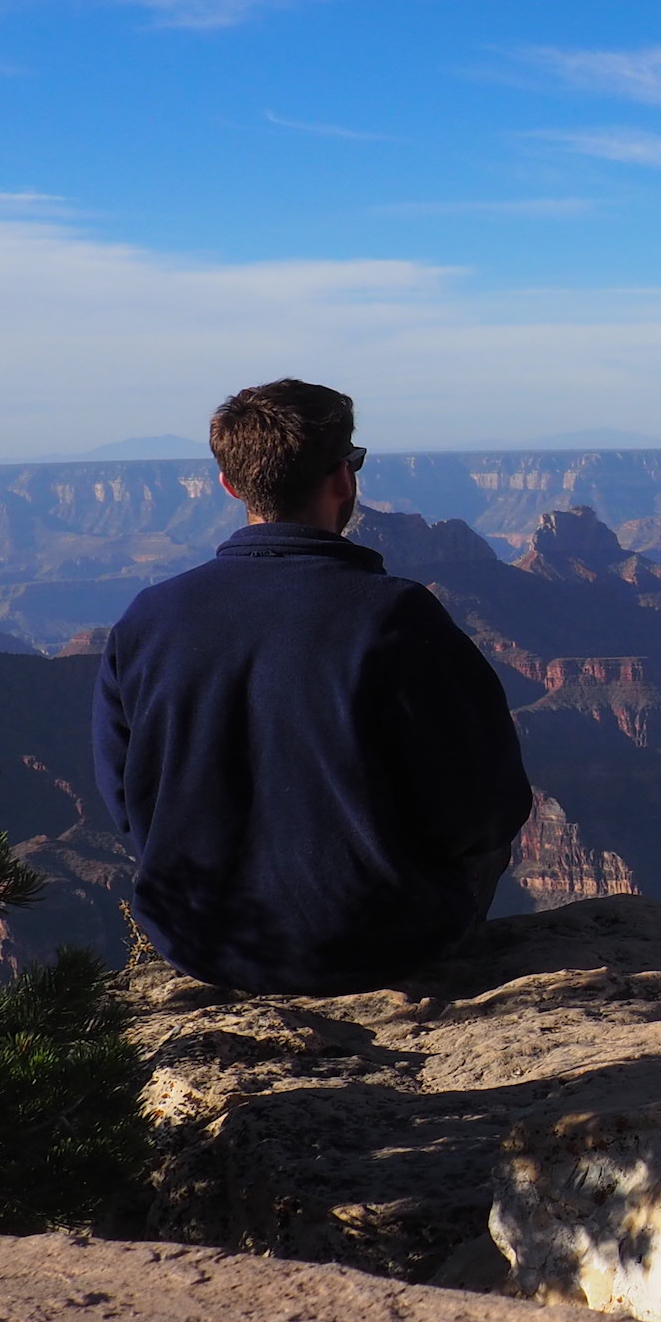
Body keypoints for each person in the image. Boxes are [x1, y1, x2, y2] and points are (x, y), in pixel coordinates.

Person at [92, 378, 532, 994]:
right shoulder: (395, 618)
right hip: (372, 946)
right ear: (344, 479)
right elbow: (485, 807)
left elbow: (127, 800)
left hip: (201, 942)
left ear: (228, 484)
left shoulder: (147, 618)